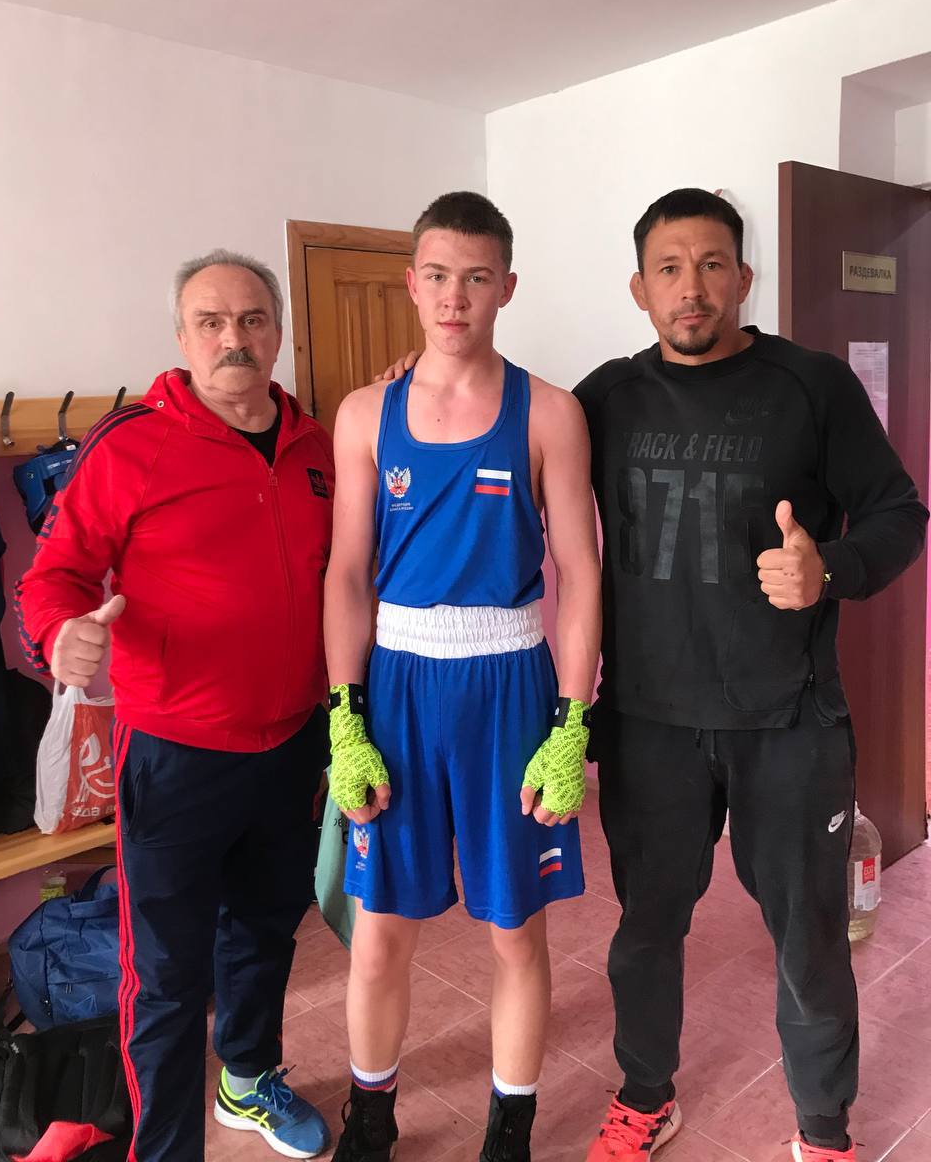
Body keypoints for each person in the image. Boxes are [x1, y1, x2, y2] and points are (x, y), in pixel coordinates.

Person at [573, 189, 928, 1162]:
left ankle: (824, 1130)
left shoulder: (812, 385)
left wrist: (830, 569)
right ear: (640, 288)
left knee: (810, 939)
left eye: (712, 264)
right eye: (670, 268)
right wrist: (417, 378)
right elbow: (499, 439)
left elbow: (900, 512)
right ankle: (646, 1096)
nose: (691, 287)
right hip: (648, 723)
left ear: (744, 277)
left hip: (790, 723)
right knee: (646, 930)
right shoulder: (603, 398)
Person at [17, 250, 335, 1162]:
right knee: (165, 975)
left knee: (266, 932)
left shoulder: (316, 446)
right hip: (174, 756)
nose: (235, 338)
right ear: (182, 336)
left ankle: (248, 1079)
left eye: (253, 319)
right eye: (211, 322)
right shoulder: (131, 444)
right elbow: (52, 576)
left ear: (278, 332)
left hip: (291, 745)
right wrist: (60, 634)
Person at [323, 191, 601, 1162]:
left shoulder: (552, 411)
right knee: (380, 930)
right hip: (397, 688)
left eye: (476, 277)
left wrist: (571, 722)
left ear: (506, 287)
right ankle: (370, 1115)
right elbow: (346, 571)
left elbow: (580, 574)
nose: (455, 296)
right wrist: (344, 715)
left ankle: (510, 1126)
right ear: (411, 283)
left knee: (515, 930)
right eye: (438, 275)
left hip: (509, 688)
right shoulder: (365, 413)